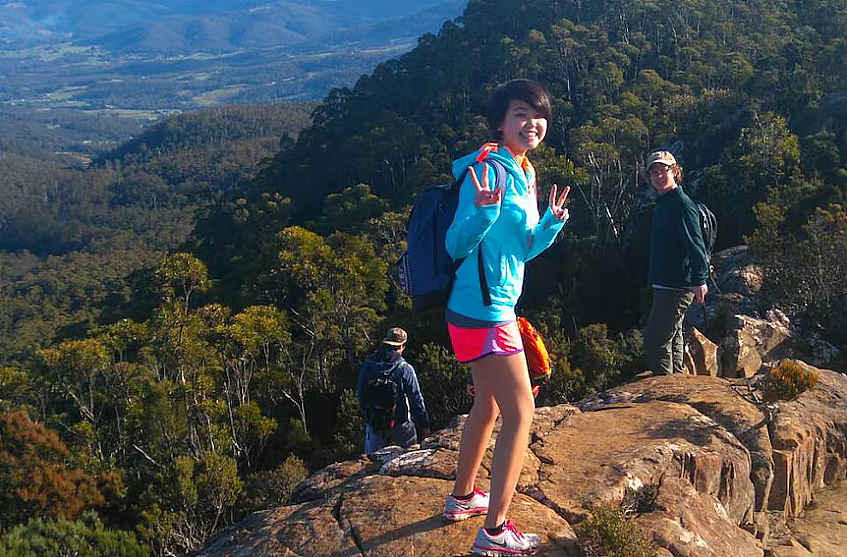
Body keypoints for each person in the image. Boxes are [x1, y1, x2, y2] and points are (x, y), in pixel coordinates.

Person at [441, 79, 570, 557]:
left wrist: (549, 225)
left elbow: (522, 249)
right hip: (485, 312)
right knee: (522, 412)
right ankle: (494, 533)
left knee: (490, 407)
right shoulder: (486, 169)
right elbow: (455, 245)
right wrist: (479, 213)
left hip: (491, 307)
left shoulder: (523, 171)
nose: (531, 123)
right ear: (500, 122)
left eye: (538, 116)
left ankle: (462, 499)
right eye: (521, 114)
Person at [641, 150, 709, 375]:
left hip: (676, 285)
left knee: (655, 341)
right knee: (673, 335)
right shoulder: (665, 202)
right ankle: (678, 381)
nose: (659, 176)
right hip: (666, 282)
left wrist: (700, 279)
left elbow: (696, 245)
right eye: (654, 173)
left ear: (675, 171)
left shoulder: (681, 204)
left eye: (664, 171)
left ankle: (664, 391)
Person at [356, 327, 431, 452]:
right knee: (409, 455)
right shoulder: (404, 369)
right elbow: (416, 400)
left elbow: (361, 394)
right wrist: (424, 426)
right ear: (401, 346)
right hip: (400, 423)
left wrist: (369, 414)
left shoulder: (368, 365)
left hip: (375, 423)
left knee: (372, 460)